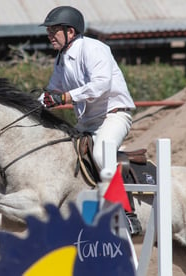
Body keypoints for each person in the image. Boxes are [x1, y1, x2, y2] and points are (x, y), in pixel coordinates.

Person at [40, 6, 141, 235]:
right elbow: (51, 91)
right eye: (49, 30)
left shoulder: (95, 49)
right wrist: (26, 106)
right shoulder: (61, 59)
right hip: (86, 123)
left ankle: (127, 213)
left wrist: (66, 97)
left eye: (54, 30)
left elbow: (100, 86)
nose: (49, 35)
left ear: (71, 32)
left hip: (114, 115)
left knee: (99, 155)